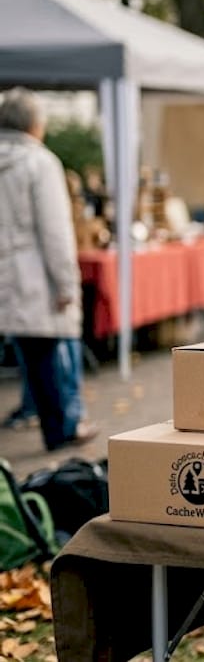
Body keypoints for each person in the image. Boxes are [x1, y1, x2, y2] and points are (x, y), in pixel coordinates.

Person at [0, 88, 94, 452]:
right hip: (36, 275)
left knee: (30, 355)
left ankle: (49, 420)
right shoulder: (40, 163)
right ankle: (63, 427)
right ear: (34, 124)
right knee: (54, 353)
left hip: (10, 275)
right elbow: (55, 231)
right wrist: (66, 283)